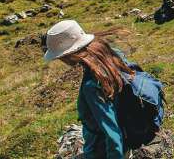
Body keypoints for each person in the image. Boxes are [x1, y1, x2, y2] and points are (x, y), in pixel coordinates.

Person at [44, 20, 133, 159]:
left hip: (102, 152)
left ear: (68, 54)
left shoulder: (92, 85)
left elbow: (112, 133)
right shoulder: (113, 56)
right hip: (127, 140)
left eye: (59, 56)